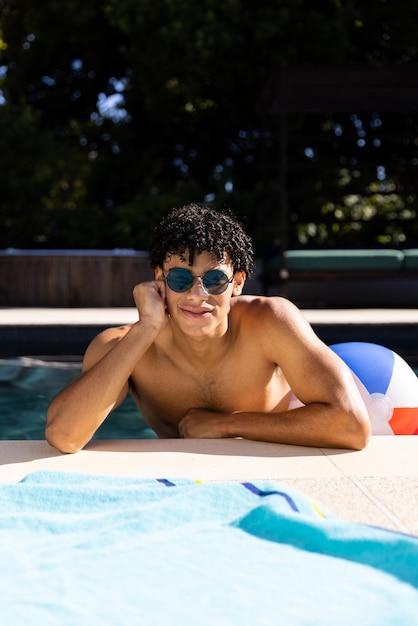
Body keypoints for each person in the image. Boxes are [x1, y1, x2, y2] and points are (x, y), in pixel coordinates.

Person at [46, 203, 371, 453]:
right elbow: (64, 436)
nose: (197, 295)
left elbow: (351, 425)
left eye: (214, 280)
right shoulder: (122, 346)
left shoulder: (270, 322)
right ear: (159, 279)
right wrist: (146, 329)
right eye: (180, 279)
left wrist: (227, 425)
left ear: (238, 282)